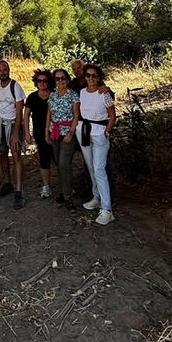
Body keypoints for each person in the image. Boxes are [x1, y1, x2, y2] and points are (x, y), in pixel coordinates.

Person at [75, 64, 116, 226]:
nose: (91, 78)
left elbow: (112, 115)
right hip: (84, 131)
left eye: (94, 76)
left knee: (99, 168)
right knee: (91, 167)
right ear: (84, 77)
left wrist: (107, 131)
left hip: (99, 133)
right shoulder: (82, 92)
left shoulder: (104, 93)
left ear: (99, 77)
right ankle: (96, 197)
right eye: (88, 75)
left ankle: (107, 209)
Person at [0, 60, 26, 209]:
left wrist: (16, 133)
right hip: (1, 122)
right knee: (2, 153)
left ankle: (18, 191)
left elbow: (19, 111)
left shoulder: (15, 87)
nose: (2, 73)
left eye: (4, 70)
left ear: (9, 70)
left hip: (13, 122)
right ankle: (7, 183)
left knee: (16, 154)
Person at [45, 69, 80, 209]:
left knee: (64, 163)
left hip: (67, 133)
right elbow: (49, 114)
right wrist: (46, 132)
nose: (60, 81)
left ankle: (67, 196)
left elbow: (76, 115)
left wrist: (71, 132)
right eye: (57, 79)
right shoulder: (52, 95)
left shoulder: (73, 95)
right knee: (58, 163)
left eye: (62, 78)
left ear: (67, 79)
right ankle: (66, 190)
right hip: (54, 132)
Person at [24, 69, 54, 199]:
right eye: (39, 81)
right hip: (39, 132)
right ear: (36, 82)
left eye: (45, 80)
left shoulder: (54, 95)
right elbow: (26, 115)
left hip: (55, 131)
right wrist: (27, 133)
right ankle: (46, 186)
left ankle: (66, 186)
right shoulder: (32, 97)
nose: (42, 83)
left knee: (60, 159)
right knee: (44, 158)